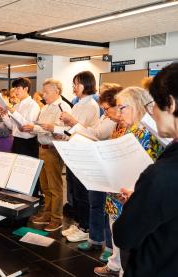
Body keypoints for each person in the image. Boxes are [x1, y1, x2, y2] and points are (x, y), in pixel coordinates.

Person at [112, 63, 178, 277]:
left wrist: (141, 201)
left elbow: (124, 236)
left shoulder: (162, 174)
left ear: (171, 104)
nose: (153, 113)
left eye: (155, 106)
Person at [94, 86, 163, 276]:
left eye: (122, 107)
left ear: (136, 105)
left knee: (130, 247)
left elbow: (149, 167)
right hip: (119, 192)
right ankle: (115, 265)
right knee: (117, 234)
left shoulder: (149, 131)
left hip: (132, 194)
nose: (118, 112)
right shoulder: (130, 129)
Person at [74, 85, 123, 264]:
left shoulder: (123, 124)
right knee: (96, 204)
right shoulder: (107, 116)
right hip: (101, 165)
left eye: (107, 108)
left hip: (114, 172)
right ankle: (95, 240)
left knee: (110, 211)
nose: (105, 112)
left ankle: (110, 249)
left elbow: (99, 134)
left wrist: (77, 127)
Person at [22, 79, 71, 231]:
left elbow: (63, 129)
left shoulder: (63, 107)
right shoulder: (46, 107)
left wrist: (38, 128)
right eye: (43, 92)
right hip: (42, 147)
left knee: (54, 186)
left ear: (57, 92)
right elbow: (41, 125)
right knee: (45, 185)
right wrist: (34, 127)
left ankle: (57, 218)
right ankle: (48, 213)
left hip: (53, 149)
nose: (44, 95)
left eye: (47, 92)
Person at [60, 71, 100, 243]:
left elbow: (81, 129)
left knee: (82, 193)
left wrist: (70, 121)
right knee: (74, 192)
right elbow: (70, 128)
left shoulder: (91, 104)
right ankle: (79, 222)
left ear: (85, 85)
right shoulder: (78, 104)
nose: (74, 88)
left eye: (76, 84)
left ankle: (85, 226)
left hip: (83, 152)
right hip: (73, 150)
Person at [0, 77, 40, 158]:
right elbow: (12, 127)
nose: (15, 91)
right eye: (14, 88)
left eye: (18, 88)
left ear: (26, 89)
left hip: (28, 143)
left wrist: (13, 112)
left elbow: (27, 126)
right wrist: (4, 115)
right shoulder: (16, 105)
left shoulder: (33, 105)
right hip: (16, 141)